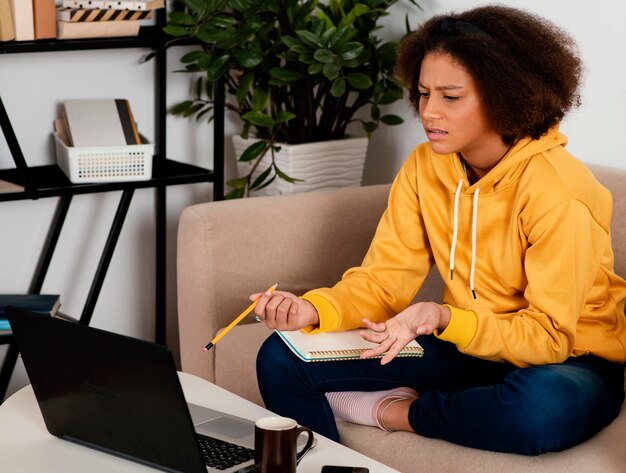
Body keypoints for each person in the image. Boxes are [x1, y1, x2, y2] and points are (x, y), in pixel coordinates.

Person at [252, 5, 626, 455]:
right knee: (281, 356)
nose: (428, 112)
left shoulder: (560, 192)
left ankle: (392, 411)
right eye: (424, 93)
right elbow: (383, 280)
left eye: (450, 97)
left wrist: (444, 317)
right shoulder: (426, 166)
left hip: (566, 360)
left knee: (541, 408)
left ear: (505, 96)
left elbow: (548, 337)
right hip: (466, 349)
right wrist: (312, 311)